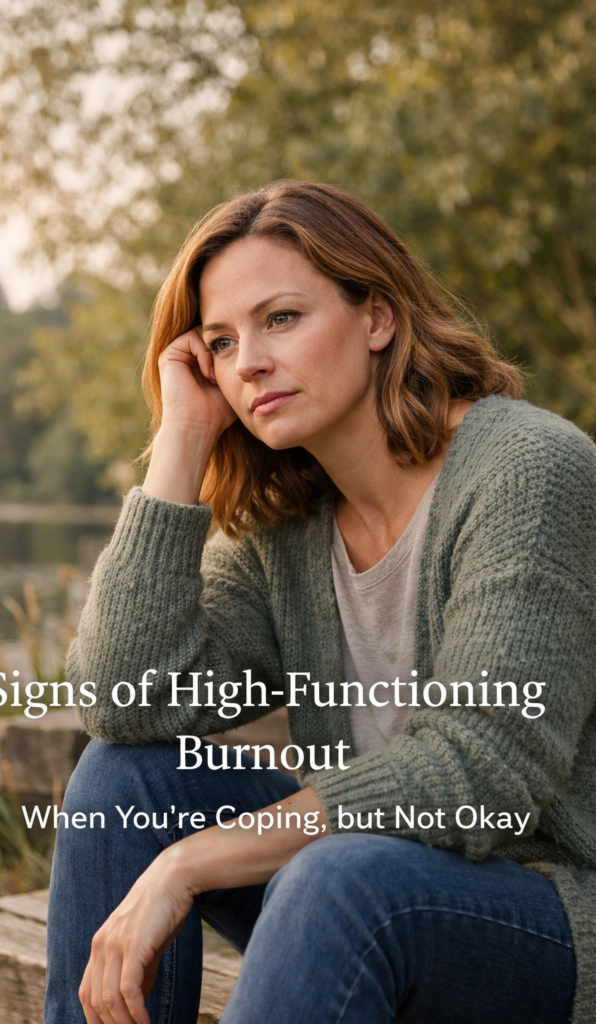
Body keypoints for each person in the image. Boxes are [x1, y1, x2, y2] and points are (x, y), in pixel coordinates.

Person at [44, 180, 596, 1024]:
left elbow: (481, 768)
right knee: (123, 777)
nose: (249, 362)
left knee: (338, 871)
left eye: (282, 319)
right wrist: (182, 439)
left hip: (544, 923)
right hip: (354, 899)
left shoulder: (529, 471)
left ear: (376, 318)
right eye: (221, 343)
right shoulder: (287, 527)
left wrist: (193, 861)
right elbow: (127, 700)